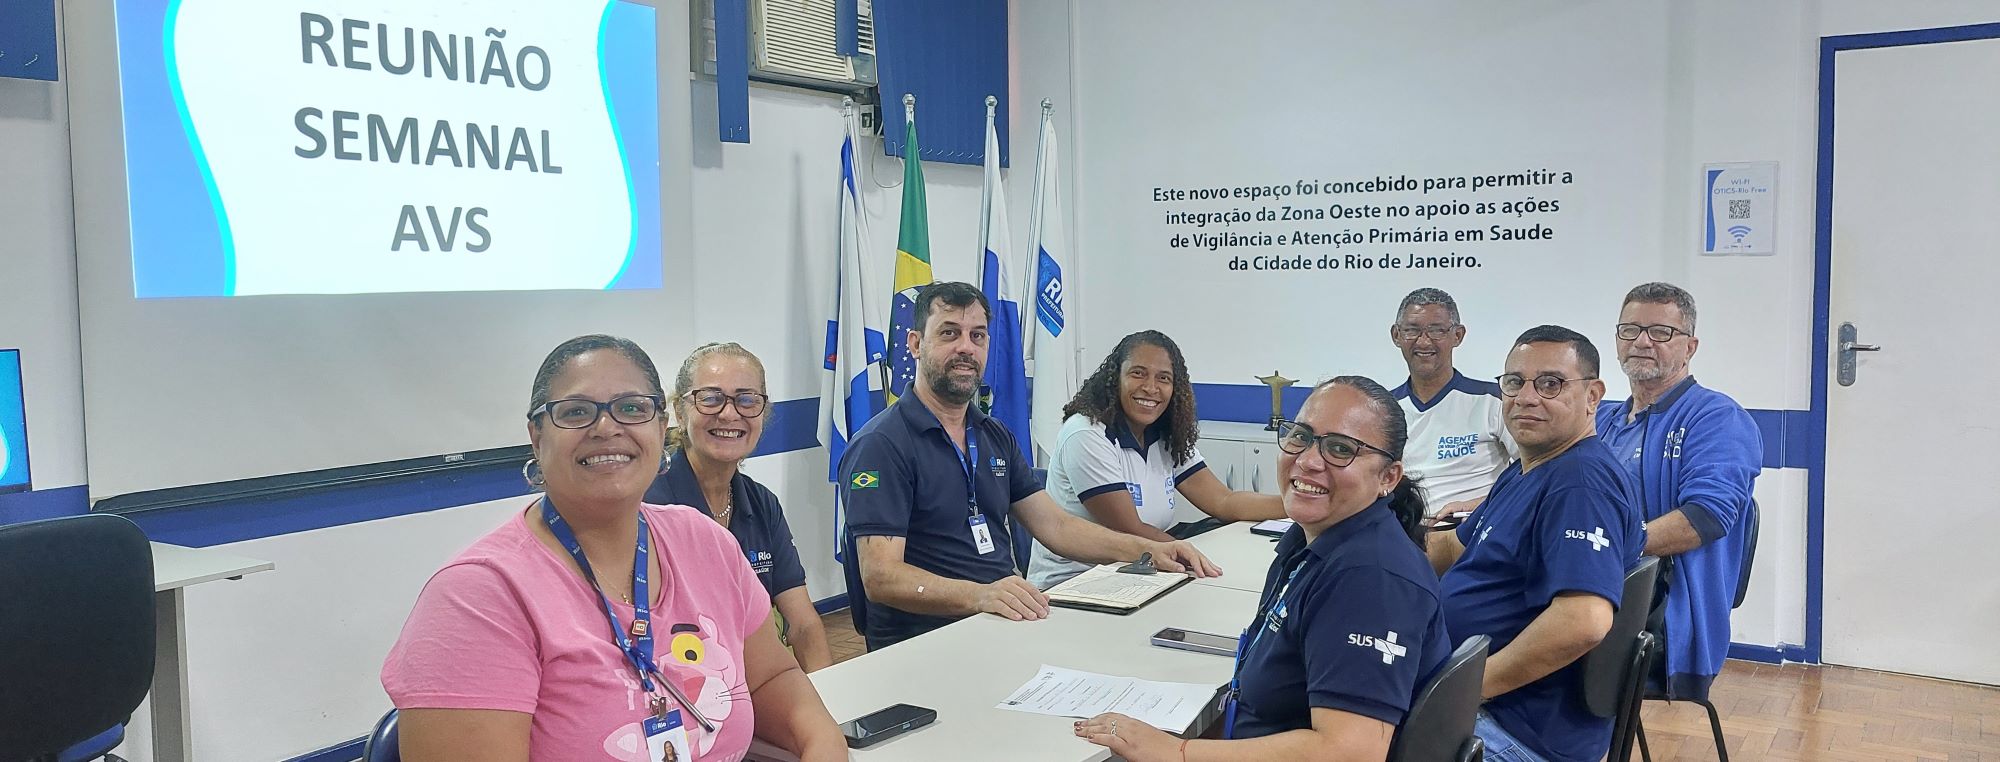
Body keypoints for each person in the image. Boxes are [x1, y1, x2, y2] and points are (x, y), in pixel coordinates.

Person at [382, 335, 846, 762]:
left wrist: (824, 746)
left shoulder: (708, 544)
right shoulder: (475, 599)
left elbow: (772, 679)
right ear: (537, 436)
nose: (607, 427)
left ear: (662, 428)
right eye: (577, 411)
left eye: (631, 407)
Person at [1071, 376, 1452, 761]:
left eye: (1340, 449)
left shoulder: (1372, 579)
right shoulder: (1310, 543)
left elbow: (1351, 751)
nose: (1307, 460)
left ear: (1389, 477)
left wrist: (1180, 753)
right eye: (1301, 436)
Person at [840, 282, 1222, 650]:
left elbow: (1055, 526)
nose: (965, 348)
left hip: (1001, 623)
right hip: (926, 641)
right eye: (949, 333)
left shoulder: (992, 435)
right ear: (915, 344)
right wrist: (982, 595)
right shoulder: (882, 445)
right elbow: (881, 577)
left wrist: (1145, 550)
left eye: (978, 336)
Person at [1427, 326, 1643, 762]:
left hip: (1512, 731)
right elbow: (1455, 548)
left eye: (1550, 384)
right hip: (1495, 711)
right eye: (1514, 382)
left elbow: (1583, 620)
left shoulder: (1579, 485)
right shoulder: (1531, 468)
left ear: (1592, 395)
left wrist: (1463, 692)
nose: (1526, 397)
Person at [1596, 283, 1761, 700]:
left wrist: (1603, 552)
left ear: (1690, 346)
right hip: (1591, 585)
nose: (1642, 342)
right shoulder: (1602, 419)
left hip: (1660, 617)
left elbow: (1704, 518)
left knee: (1517, 652)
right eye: (1629, 330)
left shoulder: (1718, 417)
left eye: (1660, 332)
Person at [1026, 330, 1285, 588]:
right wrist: (1201, 558)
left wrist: (1297, 506)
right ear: (1116, 378)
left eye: (1163, 378)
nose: (1151, 388)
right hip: (1072, 585)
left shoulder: (1166, 435)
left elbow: (1223, 501)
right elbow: (1131, 529)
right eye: (1138, 373)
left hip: (1140, 572)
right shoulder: (1086, 433)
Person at [644, 342, 834, 672]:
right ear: (680, 410)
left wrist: (828, 702)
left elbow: (803, 625)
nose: (730, 414)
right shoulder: (647, 505)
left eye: (747, 400)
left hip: (761, 682)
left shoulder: (762, 504)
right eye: (711, 398)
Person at [1387, 288, 1514, 518]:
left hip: (1473, 530)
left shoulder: (1495, 400)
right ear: (1396, 335)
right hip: (1400, 532)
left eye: (1436, 331)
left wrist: (1476, 506)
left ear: (1458, 335)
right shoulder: (1381, 409)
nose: (1423, 342)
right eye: (1412, 330)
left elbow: (1537, 470)